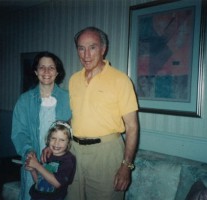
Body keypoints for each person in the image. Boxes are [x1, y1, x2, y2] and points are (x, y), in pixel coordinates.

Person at [67, 26, 139, 200]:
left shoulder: (120, 80)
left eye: (92, 47)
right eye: (81, 48)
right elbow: (78, 116)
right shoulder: (74, 79)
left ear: (103, 49)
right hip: (74, 151)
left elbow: (132, 127)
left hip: (106, 153)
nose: (86, 55)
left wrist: (126, 166)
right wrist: (56, 137)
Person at [11, 51, 71, 200]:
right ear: (36, 71)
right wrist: (28, 151)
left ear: (57, 72)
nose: (46, 71)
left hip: (58, 165)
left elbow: (72, 130)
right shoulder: (24, 100)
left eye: (51, 67)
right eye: (42, 67)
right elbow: (19, 133)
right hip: (33, 161)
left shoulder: (68, 98)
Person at [25, 120, 76, 200]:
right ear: (48, 139)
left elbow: (57, 183)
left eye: (62, 140)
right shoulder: (47, 155)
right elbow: (39, 182)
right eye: (53, 138)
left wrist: (37, 166)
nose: (56, 143)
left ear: (68, 142)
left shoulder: (68, 160)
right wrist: (33, 170)